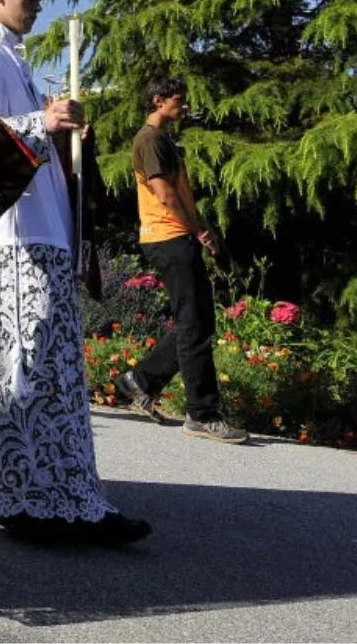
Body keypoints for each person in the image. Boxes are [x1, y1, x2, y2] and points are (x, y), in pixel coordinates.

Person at [0, 0, 152, 546]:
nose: (36, 10)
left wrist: (63, 130)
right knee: (17, 367)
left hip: (42, 228)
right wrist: (42, 120)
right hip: (2, 237)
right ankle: (18, 494)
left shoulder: (16, 58)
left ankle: (65, 491)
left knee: (52, 370)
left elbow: (23, 131)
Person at [115, 75, 249, 444]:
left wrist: (198, 228)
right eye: (178, 99)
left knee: (198, 321)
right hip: (169, 236)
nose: (184, 105)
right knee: (193, 324)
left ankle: (139, 381)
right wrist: (197, 230)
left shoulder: (161, 139)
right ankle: (202, 414)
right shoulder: (150, 139)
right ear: (158, 100)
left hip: (176, 235)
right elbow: (165, 194)